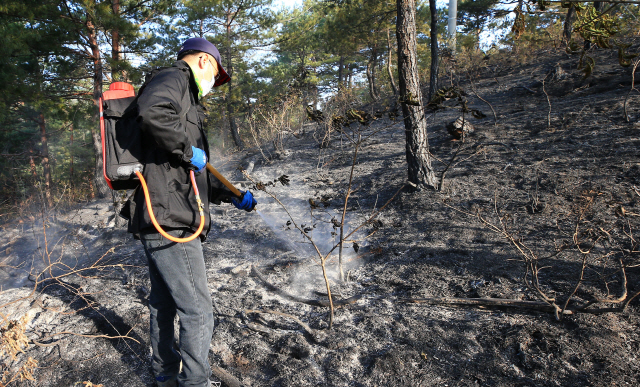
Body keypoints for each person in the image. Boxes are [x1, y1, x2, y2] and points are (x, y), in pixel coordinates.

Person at [124, 37, 257, 387]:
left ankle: (166, 373)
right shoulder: (174, 77)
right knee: (197, 310)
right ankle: (195, 382)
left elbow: (191, 175)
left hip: (164, 212)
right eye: (215, 72)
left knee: (164, 303)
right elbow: (152, 111)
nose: (214, 82)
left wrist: (232, 196)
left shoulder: (187, 102)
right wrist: (187, 149)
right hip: (172, 219)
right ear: (201, 62)